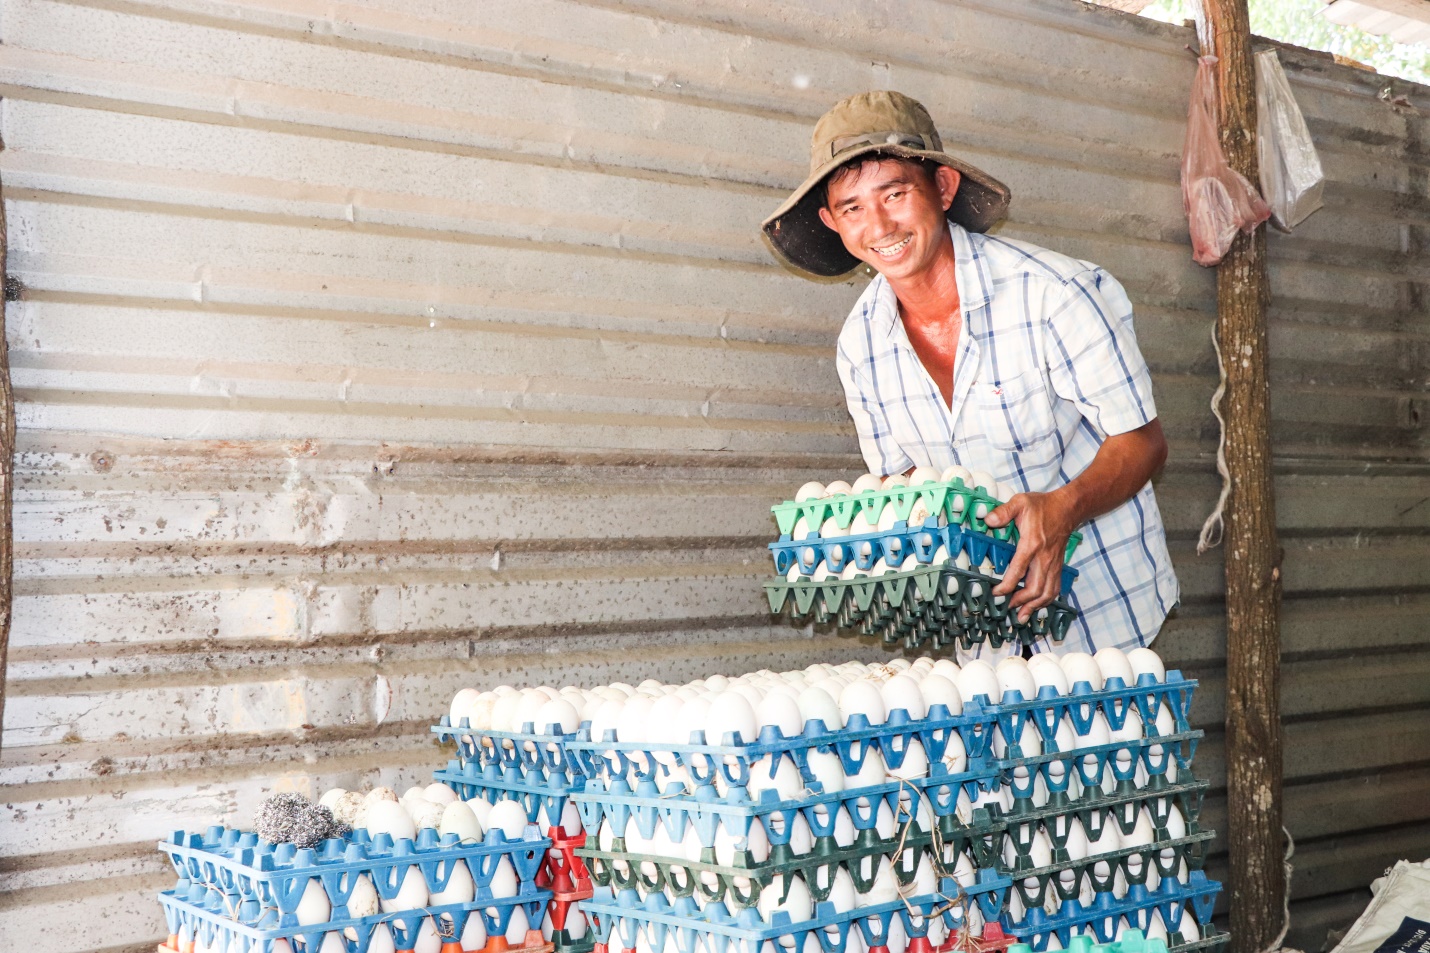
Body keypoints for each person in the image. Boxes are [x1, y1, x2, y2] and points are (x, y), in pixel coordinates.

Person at [761, 90, 1178, 659]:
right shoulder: (861, 346)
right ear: (832, 222)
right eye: (853, 208)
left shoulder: (1053, 295)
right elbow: (903, 486)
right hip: (984, 636)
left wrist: (1063, 509)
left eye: (896, 193)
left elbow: (1143, 443)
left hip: (1105, 620)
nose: (879, 225)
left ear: (943, 189)